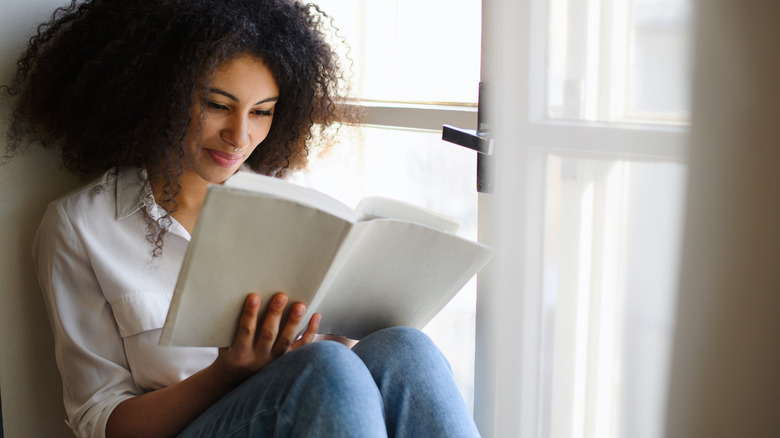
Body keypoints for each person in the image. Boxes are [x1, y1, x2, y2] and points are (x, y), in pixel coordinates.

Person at [1, 1, 480, 437]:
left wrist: (337, 326)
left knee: (403, 347)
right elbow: (99, 420)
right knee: (327, 368)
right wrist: (227, 373)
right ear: (159, 93)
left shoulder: (294, 205)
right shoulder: (81, 226)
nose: (239, 136)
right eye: (216, 105)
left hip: (302, 408)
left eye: (263, 112)